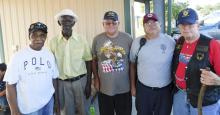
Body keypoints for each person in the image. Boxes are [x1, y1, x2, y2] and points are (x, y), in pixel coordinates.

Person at [3, 22, 59, 115]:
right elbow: (10, 85)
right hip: (29, 109)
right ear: (29, 36)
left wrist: (56, 101)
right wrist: (14, 110)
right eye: (34, 35)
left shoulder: (49, 55)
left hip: (48, 103)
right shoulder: (18, 56)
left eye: (42, 35)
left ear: (46, 37)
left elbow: (54, 78)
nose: (39, 39)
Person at [172, 8, 220, 115]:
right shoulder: (179, 41)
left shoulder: (212, 45)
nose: (186, 28)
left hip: (204, 101)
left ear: (198, 25)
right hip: (180, 95)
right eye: (182, 24)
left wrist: (217, 80)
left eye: (190, 24)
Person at [130, 13, 175, 115]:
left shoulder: (170, 41)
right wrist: (133, 86)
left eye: (154, 22)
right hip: (143, 90)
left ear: (160, 25)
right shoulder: (137, 42)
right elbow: (132, 64)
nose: (151, 25)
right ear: (144, 27)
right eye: (147, 23)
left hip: (165, 91)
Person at [50, 9, 92, 115]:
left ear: (73, 23)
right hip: (62, 84)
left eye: (69, 21)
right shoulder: (53, 42)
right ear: (59, 23)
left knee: (84, 111)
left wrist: (88, 84)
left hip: (80, 82)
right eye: (63, 21)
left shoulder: (82, 40)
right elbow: (50, 65)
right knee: (67, 112)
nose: (66, 24)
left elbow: (88, 61)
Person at [92, 11, 133, 115]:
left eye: (114, 23)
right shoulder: (97, 39)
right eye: (108, 23)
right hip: (104, 89)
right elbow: (94, 60)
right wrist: (96, 79)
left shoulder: (128, 38)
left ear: (118, 24)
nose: (111, 25)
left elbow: (133, 63)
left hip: (124, 88)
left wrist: (133, 85)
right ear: (103, 24)